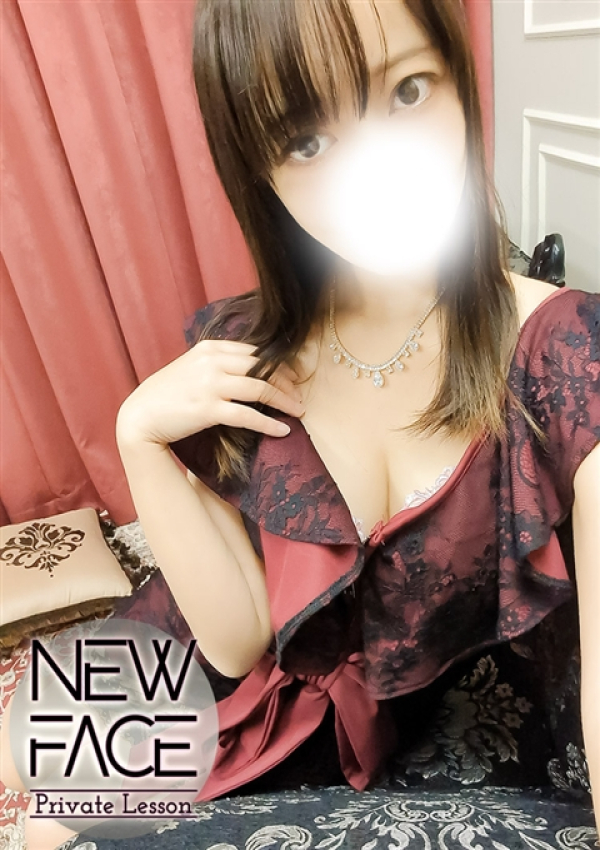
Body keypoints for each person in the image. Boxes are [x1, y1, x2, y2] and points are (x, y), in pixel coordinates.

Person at [2, 1, 599, 846]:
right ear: (262, 174)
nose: (375, 174)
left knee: (61, 835)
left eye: (406, 91)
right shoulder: (242, 344)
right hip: (215, 647)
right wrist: (139, 437)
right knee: (26, 764)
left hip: (346, 738)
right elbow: (235, 643)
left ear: (460, 81)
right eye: (308, 141)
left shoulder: (564, 350)